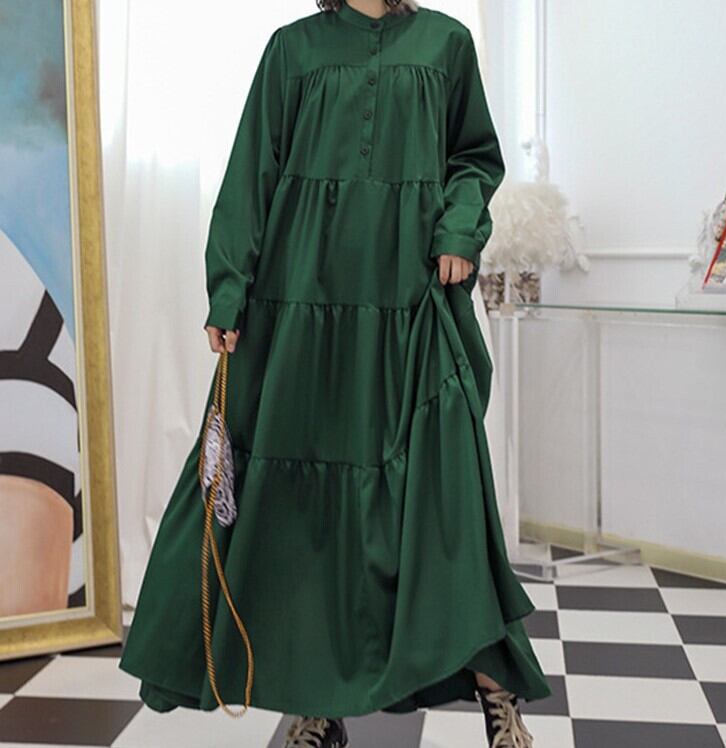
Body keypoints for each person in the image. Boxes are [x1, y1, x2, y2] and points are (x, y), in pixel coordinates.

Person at [118, 0, 552, 746]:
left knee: (444, 498)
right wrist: (228, 287)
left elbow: (475, 158)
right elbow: (250, 176)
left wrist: (458, 229)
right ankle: (315, 702)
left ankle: (495, 687)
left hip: (410, 302)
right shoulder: (293, 50)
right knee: (304, 510)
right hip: (302, 309)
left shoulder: (445, 43)